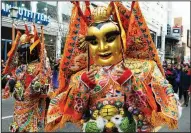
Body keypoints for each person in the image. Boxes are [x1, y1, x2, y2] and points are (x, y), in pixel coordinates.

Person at [45, 1, 179, 132]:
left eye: (110, 39)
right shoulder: (81, 77)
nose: (102, 48)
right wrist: (82, 91)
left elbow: (159, 108)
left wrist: (133, 85)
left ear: (122, 38)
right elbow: (75, 115)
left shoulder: (145, 69)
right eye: (94, 41)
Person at [2, 25, 52, 132]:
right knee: (17, 126)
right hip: (19, 102)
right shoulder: (21, 67)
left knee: (30, 127)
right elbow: (15, 77)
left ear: (32, 52)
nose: (20, 56)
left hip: (32, 102)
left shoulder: (40, 66)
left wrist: (35, 86)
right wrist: (11, 82)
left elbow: (45, 83)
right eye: (20, 53)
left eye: (23, 52)